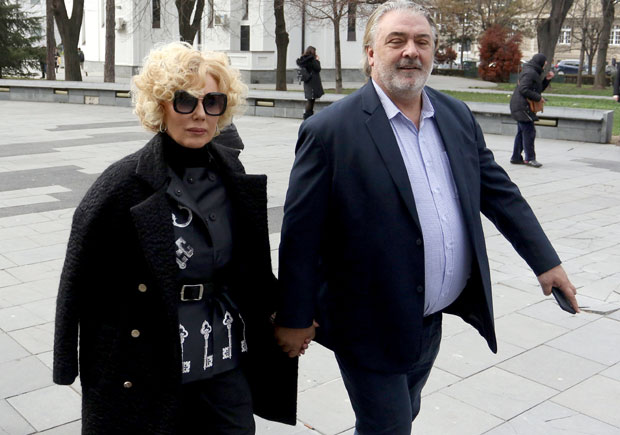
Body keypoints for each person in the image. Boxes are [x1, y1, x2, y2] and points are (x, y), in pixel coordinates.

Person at [274, 1, 579, 434]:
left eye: (422, 42)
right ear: (371, 53)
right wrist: (293, 315)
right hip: (367, 321)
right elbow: (300, 236)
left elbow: (500, 194)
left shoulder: (455, 116)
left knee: (403, 414)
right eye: (396, 41)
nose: (411, 51)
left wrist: (545, 261)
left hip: (430, 319)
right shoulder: (330, 131)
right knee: (389, 426)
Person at [53, 41, 297, 434]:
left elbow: (251, 268)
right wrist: (66, 362)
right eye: (185, 101)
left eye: (212, 102)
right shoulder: (122, 184)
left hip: (223, 354)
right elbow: (77, 277)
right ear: (160, 106)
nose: (200, 114)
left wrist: (289, 315)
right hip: (150, 358)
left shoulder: (233, 176)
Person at [509, 53, 554, 168]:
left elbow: (536, 89)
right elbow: (524, 89)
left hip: (520, 106)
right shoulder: (530, 72)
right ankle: (530, 159)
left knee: (522, 132)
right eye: (544, 64)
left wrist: (547, 80)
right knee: (529, 132)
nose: (545, 66)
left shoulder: (532, 71)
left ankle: (516, 157)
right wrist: (538, 98)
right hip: (522, 107)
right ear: (540, 63)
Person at [296, 46, 324, 119]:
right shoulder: (311, 60)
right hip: (312, 82)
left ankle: (308, 115)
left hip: (307, 82)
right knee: (311, 100)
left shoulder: (304, 59)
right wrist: (317, 60)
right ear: (312, 52)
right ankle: (307, 116)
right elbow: (318, 68)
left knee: (310, 99)